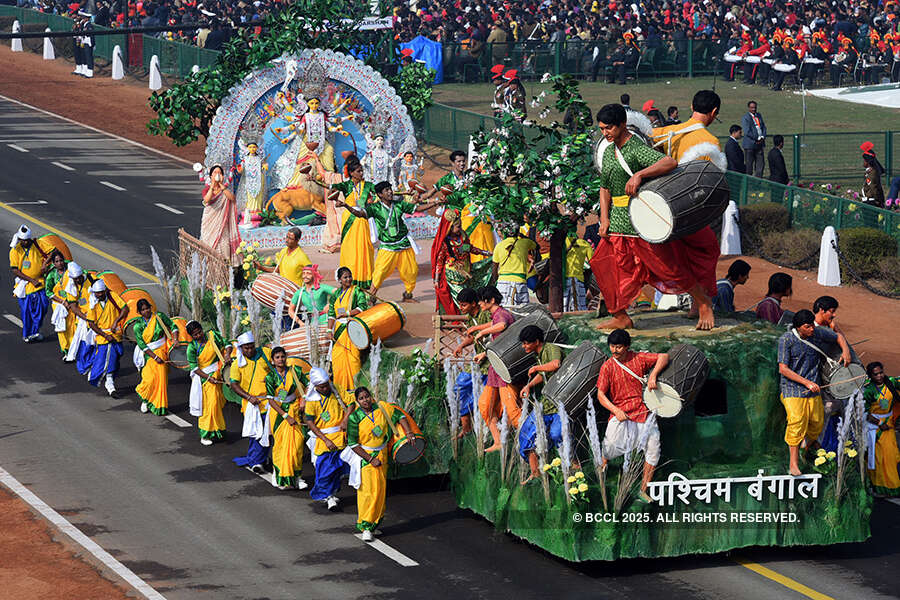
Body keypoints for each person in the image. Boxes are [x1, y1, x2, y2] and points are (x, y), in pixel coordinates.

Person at [591, 103, 717, 331]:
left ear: (621, 125)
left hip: (640, 221)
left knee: (668, 267)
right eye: (601, 129)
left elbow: (670, 162)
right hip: (617, 222)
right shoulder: (609, 151)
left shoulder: (636, 148)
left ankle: (703, 301)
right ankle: (620, 316)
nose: (605, 133)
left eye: (608, 128)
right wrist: (605, 217)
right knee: (603, 265)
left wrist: (639, 174)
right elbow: (604, 187)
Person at [595, 329, 668, 502]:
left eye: (619, 347)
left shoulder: (639, 358)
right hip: (621, 412)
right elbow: (600, 395)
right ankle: (602, 473)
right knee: (609, 446)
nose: (614, 351)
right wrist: (616, 411)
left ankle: (644, 489)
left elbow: (663, 356)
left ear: (627, 347)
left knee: (653, 449)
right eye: (612, 346)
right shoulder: (608, 366)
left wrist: (653, 376)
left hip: (643, 412)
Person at [336, 182, 441, 302]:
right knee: (379, 274)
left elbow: (416, 208)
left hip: (403, 244)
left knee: (411, 272)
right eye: (387, 190)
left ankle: (407, 295)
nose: (390, 192)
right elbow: (360, 214)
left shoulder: (399, 205)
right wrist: (345, 205)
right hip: (388, 247)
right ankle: (371, 298)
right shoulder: (375, 208)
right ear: (380, 194)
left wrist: (435, 203)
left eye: (390, 189)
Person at [777, 310, 849, 476]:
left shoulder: (816, 333)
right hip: (792, 389)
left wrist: (845, 351)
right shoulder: (786, 339)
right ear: (798, 327)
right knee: (796, 421)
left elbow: (837, 337)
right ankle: (793, 463)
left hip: (813, 390)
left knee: (817, 422)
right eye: (807, 327)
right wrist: (806, 382)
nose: (811, 329)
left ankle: (806, 448)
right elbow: (783, 369)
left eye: (811, 326)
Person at [344, 386, 413, 541]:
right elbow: (353, 444)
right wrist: (370, 459)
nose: (365, 400)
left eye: (367, 396)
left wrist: (408, 432)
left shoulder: (382, 408)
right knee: (368, 492)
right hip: (366, 458)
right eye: (361, 398)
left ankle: (374, 524)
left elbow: (400, 415)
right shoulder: (355, 418)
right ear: (357, 401)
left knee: (380, 491)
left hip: (382, 455)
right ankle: (366, 527)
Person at [468, 286, 519, 451]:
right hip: (495, 369)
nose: (480, 303)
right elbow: (494, 325)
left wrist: (482, 333)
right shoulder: (495, 315)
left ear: (491, 301)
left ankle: (530, 443)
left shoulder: (502, 314)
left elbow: (501, 325)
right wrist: (484, 353)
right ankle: (498, 442)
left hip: (504, 370)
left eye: (482, 300)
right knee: (484, 405)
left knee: (511, 409)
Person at [517, 325, 564, 483]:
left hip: (559, 404)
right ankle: (535, 472)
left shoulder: (551, 348)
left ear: (537, 341)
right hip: (545, 404)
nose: (524, 346)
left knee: (557, 434)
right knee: (526, 435)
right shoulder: (538, 355)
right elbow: (544, 374)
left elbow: (555, 365)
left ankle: (574, 466)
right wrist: (529, 386)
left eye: (526, 343)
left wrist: (537, 367)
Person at [427, 150, 470, 314]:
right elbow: (431, 193)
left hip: (468, 218)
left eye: (463, 161)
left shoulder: (470, 179)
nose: (461, 164)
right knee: (445, 251)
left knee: (467, 250)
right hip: (452, 222)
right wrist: (420, 198)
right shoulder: (446, 179)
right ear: (452, 163)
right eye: (458, 161)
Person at [304, 367, 350, 510]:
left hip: (340, 436)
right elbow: (310, 422)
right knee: (325, 470)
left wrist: (346, 420)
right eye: (322, 386)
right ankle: (328, 496)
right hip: (324, 440)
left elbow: (351, 403)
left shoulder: (336, 389)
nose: (325, 388)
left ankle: (331, 494)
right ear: (315, 386)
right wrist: (325, 440)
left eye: (326, 384)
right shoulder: (311, 401)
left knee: (337, 470)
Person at [265, 346, 309, 490]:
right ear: (272, 361)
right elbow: (271, 400)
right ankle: (278, 474)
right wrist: (285, 416)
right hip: (279, 414)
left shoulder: (295, 371)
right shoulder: (270, 377)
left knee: (297, 445)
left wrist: (304, 399)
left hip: (295, 409)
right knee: (281, 445)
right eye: (277, 357)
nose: (280, 360)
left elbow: (309, 385)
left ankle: (297, 477)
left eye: (282, 356)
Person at [433, 209, 493, 311]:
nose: (460, 228)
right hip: (453, 275)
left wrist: (486, 253)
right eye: (458, 227)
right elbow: (439, 261)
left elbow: (469, 248)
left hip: (466, 271)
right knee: (463, 299)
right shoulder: (445, 243)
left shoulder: (462, 236)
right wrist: (436, 279)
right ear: (450, 228)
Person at [230, 331, 273, 473]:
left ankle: (263, 458)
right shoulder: (237, 364)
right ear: (241, 348)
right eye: (246, 348)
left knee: (268, 433)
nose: (249, 350)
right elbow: (234, 385)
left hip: (269, 402)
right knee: (257, 433)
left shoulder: (265, 353)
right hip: (252, 404)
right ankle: (256, 461)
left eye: (251, 347)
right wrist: (248, 397)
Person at [451, 287, 490, 437]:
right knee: (459, 387)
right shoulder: (470, 317)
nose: (461, 308)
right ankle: (466, 425)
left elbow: (495, 326)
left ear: (474, 303)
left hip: (489, 361)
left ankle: (469, 425)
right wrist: (461, 345)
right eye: (460, 304)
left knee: (476, 392)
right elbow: (472, 336)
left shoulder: (485, 314)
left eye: (464, 305)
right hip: (478, 360)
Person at [330, 159, 375, 289]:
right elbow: (331, 189)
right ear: (351, 173)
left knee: (363, 247)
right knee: (350, 249)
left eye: (362, 171)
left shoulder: (367, 185)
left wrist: (372, 201)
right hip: (349, 219)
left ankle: (364, 278)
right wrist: (334, 195)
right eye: (358, 171)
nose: (361, 173)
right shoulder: (346, 185)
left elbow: (379, 192)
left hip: (362, 219)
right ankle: (348, 278)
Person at [186, 320, 230, 446]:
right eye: (195, 335)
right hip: (204, 379)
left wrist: (227, 354)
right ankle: (205, 434)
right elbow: (194, 368)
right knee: (209, 407)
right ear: (191, 336)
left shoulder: (213, 336)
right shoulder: (192, 348)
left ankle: (218, 432)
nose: (199, 335)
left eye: (199, 332)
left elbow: (226, 344)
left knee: (216, 405)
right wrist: (209, 378)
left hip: (217, 374)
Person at [327, 267, 369, 394]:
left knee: (353, 359)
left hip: (352, 329)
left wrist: (347, 313)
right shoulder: (335, 295)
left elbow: (362, 308)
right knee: (338, 359)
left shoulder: (357, 291)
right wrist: (329, 330)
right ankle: (341, 389)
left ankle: (356, 389)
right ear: (339, 280)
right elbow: (331, 314)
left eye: (350, 276)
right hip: (339, 331)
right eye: (345, 277)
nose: (349, 279)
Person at [83, 280, 128, 397]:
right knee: (109, 358)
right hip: (104, 336)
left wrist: (116, 322)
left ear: (105, 291)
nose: (99, 295)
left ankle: (105, 375)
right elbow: (91, 323)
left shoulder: (112, 296)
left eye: (101, 292)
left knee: (117, 356)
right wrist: (105, 335)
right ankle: (110, 385)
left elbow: (125, 308)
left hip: (115, 334)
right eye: (97, 293)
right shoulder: (93, 303)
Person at [863, 361, 900, 497]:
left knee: (890, 456)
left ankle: (892, 486)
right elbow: (865, 412)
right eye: (876, 374)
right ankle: (879, 488)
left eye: (881, 372)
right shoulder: (869, 390)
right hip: (875, 428)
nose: (879, 376)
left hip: (888, 424)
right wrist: (879, 423)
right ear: (870, 376)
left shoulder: (891, 382)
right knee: (878, 458)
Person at [132, 299, 175, 415]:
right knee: (149, 379)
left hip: (162, 351)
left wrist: (175, 339)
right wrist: (155, 357)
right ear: (139, 312)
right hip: (149, 355)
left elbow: (173, 326)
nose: (146, 311)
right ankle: (145, 399)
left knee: (160, 379)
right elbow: (142, 344)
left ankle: (158, 405)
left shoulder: (159, 317)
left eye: (147, 308)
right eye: (143, 310)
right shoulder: (138, 326)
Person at [9, 225, 48, 342]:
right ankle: (28, 334)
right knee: (27, 311)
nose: (25, 242)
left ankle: (35, 331)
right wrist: (31, 280)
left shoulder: (37, 244)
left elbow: (53, 251)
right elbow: (15, 270)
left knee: (43, 307)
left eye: (26, 240)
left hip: (40, 282)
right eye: (22, 240)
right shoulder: (15, 250)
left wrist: (45, 263)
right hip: (25, 285)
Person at [200, 165, 240, 267]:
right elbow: (207, 200)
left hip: (222, 226)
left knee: (224, 246)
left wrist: (222, 186)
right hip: (209, 225)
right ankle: (210, 275)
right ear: (210, 176)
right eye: (215, 173)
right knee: (209, 247)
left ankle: (225, 275)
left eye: (220, 173)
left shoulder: (225, 190)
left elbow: (232, 199)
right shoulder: (207, 189)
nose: (217, 175)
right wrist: (212, 186)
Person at [492, 228, 540, 306]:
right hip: (520, 282)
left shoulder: (499, 246)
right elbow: (537, 246)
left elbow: (494, 269)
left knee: (505, 312)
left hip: (502, 283)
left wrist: (496, 283)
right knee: (523, 311)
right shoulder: (525, 243)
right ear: (517, 232)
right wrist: (522, 236)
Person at [43, 249, 70, 355]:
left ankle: (73, 348)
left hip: (71, 303)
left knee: (71, 327)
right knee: (61, 328)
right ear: (54, 263)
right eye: (57, 261)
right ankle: (65, 350)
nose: (60, 263)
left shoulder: (70, 271)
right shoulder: (52, 275)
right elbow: (48, 292)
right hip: (59, 304)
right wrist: (62, 302)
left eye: (61, 260)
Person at [563, 231, 593, 311]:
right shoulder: (584, 244)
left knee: (564, 308)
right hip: (578, 279)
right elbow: (593, 261)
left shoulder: (561, 242)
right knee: (579, 307)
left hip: (563, 281)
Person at [740, 101, 766, 178]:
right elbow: (747, 131)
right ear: (749, 108)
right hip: (750, 145)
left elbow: (763, 127)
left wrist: (763, 137)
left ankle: (758, 181)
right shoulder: (745, 118)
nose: (754, 109)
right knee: (749, 165)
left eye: (755, 107)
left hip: (760, 144)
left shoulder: (759, 116)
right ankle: (749, 181)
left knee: (760, 164)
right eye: (752, 108)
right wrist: (756, 138)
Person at [861, 142, 886, 207]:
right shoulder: (870, 171)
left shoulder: (872, 174)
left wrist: (877, 201)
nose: (863, 162)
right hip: (869, 199)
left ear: (868, 162)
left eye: (864, 161)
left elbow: (873, 188)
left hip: (872, 201)